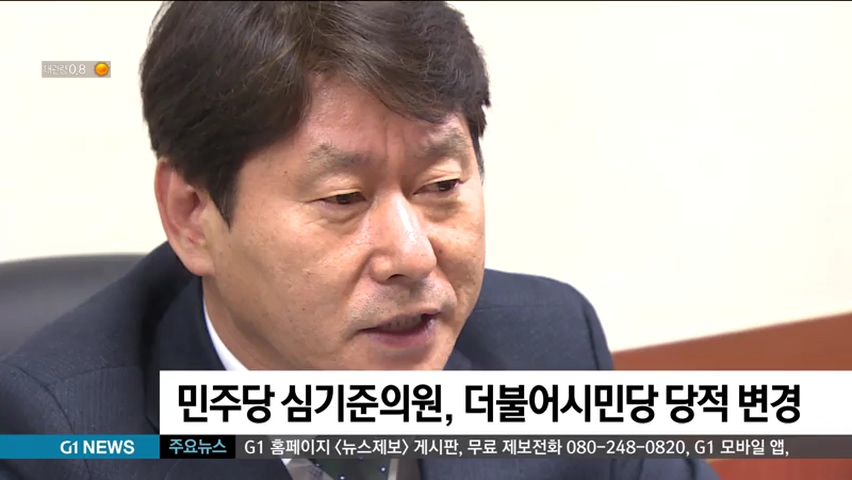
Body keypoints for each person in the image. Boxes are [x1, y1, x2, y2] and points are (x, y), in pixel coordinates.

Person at [0, 2, 719, 479]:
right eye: (344, 199)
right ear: (192, 215)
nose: (412, 255)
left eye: (441, 184)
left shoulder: (552, 349)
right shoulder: (60, 439)